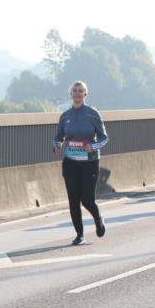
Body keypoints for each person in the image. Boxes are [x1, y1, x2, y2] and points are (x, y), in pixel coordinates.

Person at [53, 81, 108, 246]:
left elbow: (104, 138)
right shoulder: (65, 116)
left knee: (87, 199)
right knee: (73, 200)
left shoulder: (93, 114)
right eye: (74, 91)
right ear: (70, 94)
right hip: (70, 163)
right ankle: (79, 235)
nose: (77, 93)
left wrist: (93, 146)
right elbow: (59, 136)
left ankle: (98, 219)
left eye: (80, 91)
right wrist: (57, 144)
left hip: (89, 162)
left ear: (85, 94)